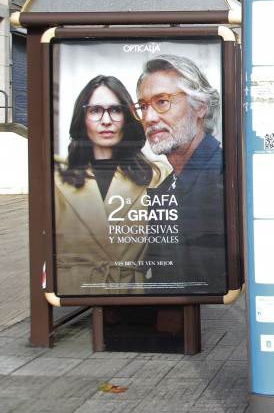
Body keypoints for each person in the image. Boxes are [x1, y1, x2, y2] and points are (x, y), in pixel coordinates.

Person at [54, 75, 170, 295]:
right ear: (82, 117)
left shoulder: (158, 175)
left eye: (115, 110)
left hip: (132, 296)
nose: (106, 120)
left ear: (127, 117)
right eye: (95, 110)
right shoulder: (58, 180)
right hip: (76, 296)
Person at [135, 54, 225, 292]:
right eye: (143, 106)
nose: (149, 118)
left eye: (162, 101)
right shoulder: (168, 184)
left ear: (200, 106)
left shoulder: (221, 176)